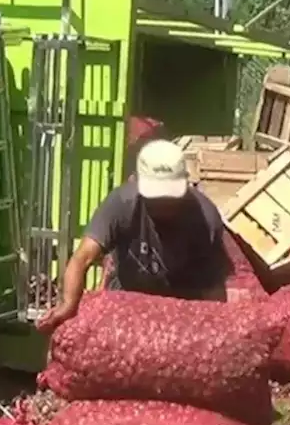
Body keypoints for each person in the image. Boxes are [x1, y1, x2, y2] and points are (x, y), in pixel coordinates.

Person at [36, 138, 229, 333]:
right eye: (156, 199)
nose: (163, 206)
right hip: (124, 302)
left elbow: (213, 288)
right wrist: (68, 305)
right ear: (136, 182)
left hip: (180, 312)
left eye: (169, 198)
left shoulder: (205, 218)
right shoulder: (122, 203)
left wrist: (215, 329)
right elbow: (82, 257)